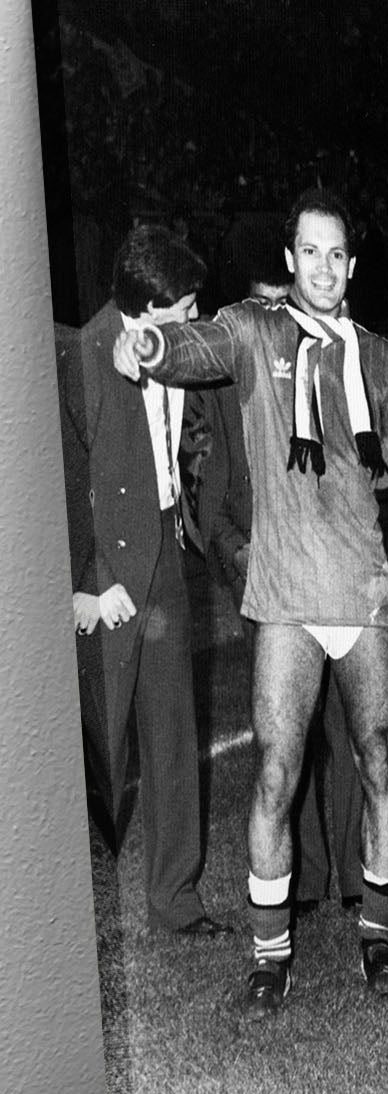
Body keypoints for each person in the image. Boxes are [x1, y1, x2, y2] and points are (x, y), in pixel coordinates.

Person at [112, 188, 388, 1014]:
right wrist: (149, 344)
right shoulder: (254, 328)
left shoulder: (375, 357)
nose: (324, 268)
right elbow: (192, 347)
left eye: (338, 254)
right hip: (285, 599)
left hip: (362, 589)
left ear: (351, 264)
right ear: (291, 259)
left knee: (379, 758)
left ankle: (378, 935)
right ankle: (271, 957)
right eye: (311, 252)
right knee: (275, 771)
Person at [56, 224, 228, 938]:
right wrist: (86, 586)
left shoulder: (172, 347)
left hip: (167, 553)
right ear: (151, 307)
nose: (194, 317)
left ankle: (175, 901)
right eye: (185, 307)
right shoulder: (83, 356)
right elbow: (64, 486)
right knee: (94, 745)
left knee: (172, 732)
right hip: (109, 572)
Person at [180, 260, 364, 916]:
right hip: (265, 578)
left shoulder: (338, 356)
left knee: (350, 724)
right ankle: (304, 878)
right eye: (263, 305)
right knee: (285, 736)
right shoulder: (219, 376)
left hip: (336, 574)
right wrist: (243, 554)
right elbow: (202, 486)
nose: (277, 318)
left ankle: (356, 875)